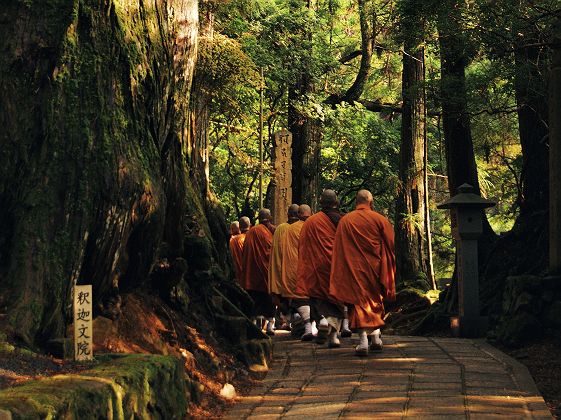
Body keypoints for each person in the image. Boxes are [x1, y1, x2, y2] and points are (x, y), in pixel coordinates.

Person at [329, 189, 396, 356]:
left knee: (358, 305)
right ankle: (375, 339)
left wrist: (340, 271)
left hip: (354, 269)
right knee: (374, 302)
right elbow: (390, 244)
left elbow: (339, 249)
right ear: (371, 202)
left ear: (355, 202)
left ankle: (364, 341)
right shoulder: (380, 219)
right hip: (375, 269)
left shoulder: (346, 221)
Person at [295, 190, 345, 347]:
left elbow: (303, 247)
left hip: (317, 268)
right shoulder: (344, 220)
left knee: (318, 299)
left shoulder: (311, 222)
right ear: (336, 202)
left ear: (320, 202)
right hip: (337, 267)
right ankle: (334, 336)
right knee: (337, 301)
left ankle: (322, 321)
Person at [241, 209, 277, 335]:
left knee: (256, 300)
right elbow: (272, 251)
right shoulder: (269, 232)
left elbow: (245, 253)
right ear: (270, 218)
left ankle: (257, 324)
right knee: (268, 300)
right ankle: (270, 326)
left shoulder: (251, 232)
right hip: (266, 273)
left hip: (252, 274)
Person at [268, 204, 300, 330]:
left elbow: (275, 252)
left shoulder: (280, 228)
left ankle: (284, 320)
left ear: (287, 214)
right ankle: (292, 320)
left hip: (281, 268)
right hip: (294, 269)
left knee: (284, 297)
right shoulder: (299, 228)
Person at [229, 220, 246, 286]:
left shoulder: (231, 241)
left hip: (236, 273)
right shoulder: (246, 238)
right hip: (247, 272)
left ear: (232, 229)